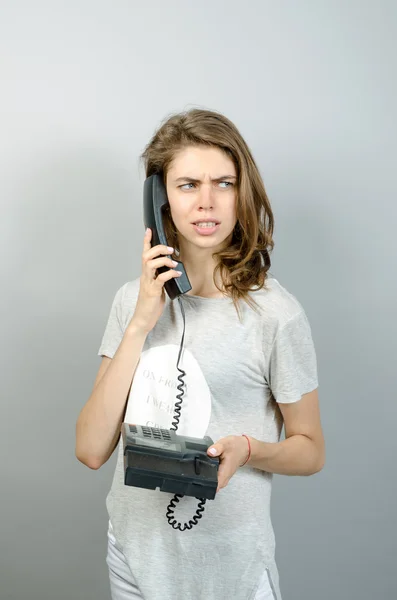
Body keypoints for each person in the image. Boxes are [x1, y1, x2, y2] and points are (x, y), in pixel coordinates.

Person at [75, 108, 325, 600]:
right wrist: (143, 320)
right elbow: (90, 449)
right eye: (187, 184)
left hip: (231, 565)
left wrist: (251, 450)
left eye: (224, 183)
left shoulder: (276, 314)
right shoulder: (132, 301)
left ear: (242, 193)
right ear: (160, 198)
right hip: (136, 556)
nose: (206, 202)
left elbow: (311, 448)